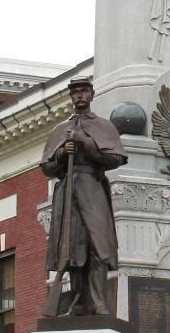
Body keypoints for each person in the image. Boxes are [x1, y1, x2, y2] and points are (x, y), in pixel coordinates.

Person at [40, 78, 128, 316]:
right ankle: (78, 301)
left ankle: (99, 302)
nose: (79, 96)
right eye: (75, 93)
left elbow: (115, 159)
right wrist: (61, 153)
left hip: (92, 187)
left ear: (91, 95)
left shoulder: (103, 126)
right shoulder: (61, 129)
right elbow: (46, 166)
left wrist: (85, 143)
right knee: (72, 246)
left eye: (83, 92)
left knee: (97, 245)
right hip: (68, 190)